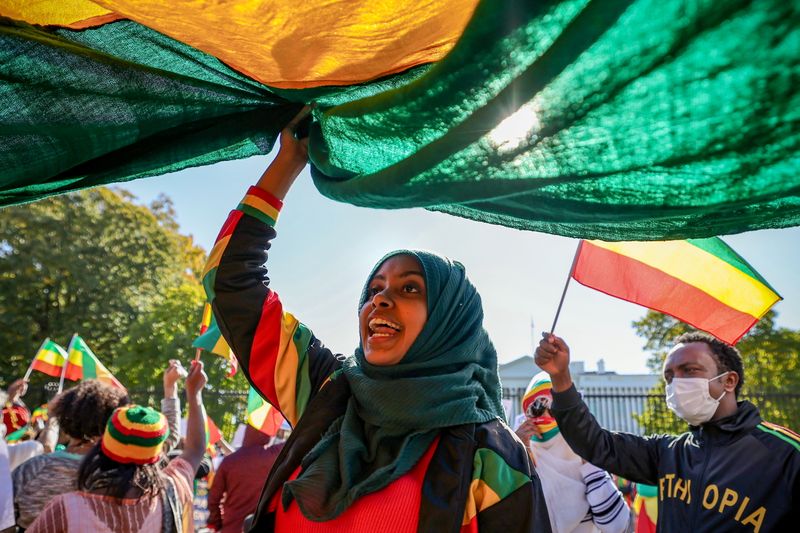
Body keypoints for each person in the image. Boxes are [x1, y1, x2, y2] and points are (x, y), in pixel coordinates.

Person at [206, 121, 551, 531]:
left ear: (449, 320)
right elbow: (229, 283)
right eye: (373, 289)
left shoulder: (490, 456)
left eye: (410, 289)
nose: (380, 300)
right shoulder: (325, 391)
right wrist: (288, 163)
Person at [535, 331, 800, 532]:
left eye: (690, 370)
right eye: (670, 376)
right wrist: (560, 377)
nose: (677, 383)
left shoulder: (785, 453)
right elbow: (594, 443)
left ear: (729, 380)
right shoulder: (668, 452)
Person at [27, 360, 208, 533]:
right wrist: (193, 394)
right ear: (157, 455)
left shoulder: (66, 508)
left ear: (103, 444)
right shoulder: (172, 489)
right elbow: (196, 448)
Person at [515, 372, 631, 533]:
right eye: (538, 408)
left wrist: (589, 460)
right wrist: (515, 456)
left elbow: (617, 526)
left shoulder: (588, 455)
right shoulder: (525, 460)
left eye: (555, 408)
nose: (548, 414)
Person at [11, 379, 130, 529]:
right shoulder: (120, 474)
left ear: (65, 415)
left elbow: (5, 520)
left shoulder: (32, 468)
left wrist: (52, 418)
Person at [207, 425, 285, 533]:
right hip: (259, 528)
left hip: (231, 527)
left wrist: (218, 523)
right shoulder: (271, 456)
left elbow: (213, 499)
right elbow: (296, 442)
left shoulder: (229, 462)